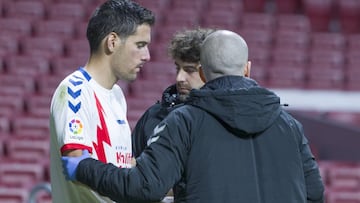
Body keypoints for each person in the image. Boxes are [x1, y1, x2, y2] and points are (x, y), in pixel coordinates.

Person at [62, 30, 325, 203]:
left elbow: (143, 186)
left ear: (202, 73)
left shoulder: (184, 121)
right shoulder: (290, 125)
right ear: (247, 69)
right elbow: (314, 194)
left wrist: (83, 166)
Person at [49, 0, 154, 202]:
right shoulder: (74, 91)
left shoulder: (117, 95)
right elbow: (76, 164)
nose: (147, 56)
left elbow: (120, 165)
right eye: (140, 45)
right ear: (112, 42)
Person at [132, 28, 214, 158]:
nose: (179, 78)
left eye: (190, 70)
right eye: (178, 68)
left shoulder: (224, 120)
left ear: (210, 71)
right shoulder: (153, 115)